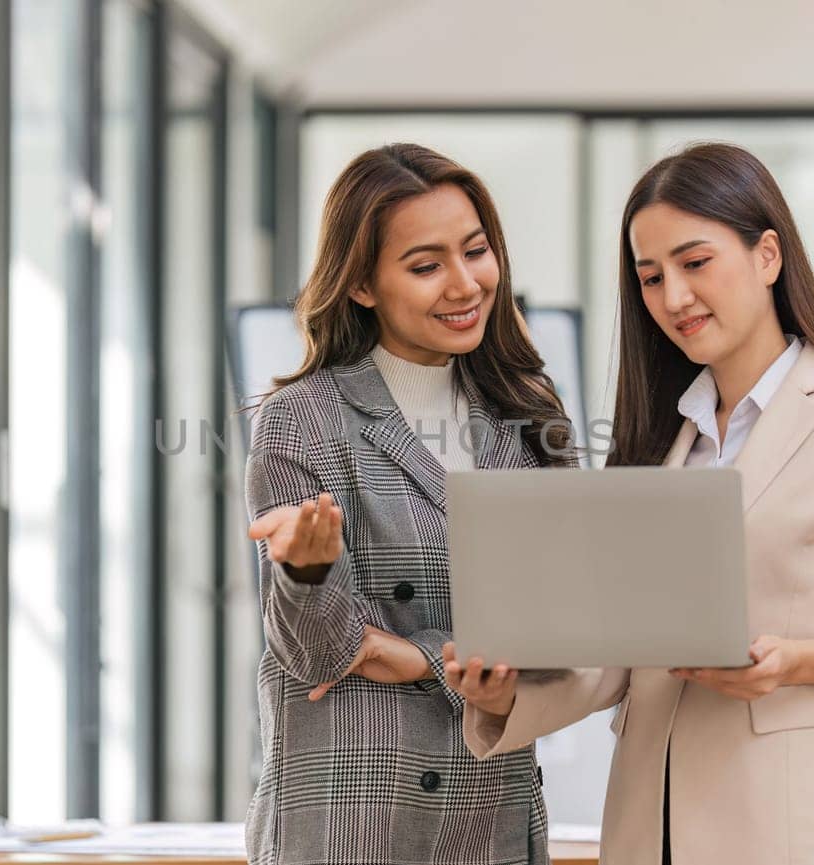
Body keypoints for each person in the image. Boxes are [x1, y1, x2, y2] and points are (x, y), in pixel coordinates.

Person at [445, 142, 814, 865]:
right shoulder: (661, 436)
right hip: (647, 825)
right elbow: (624, 655)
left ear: (768, 256)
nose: (674, 297)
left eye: (695, 263)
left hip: (782, 830)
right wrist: (504, 693)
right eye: (651, 277)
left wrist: (799, 661)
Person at [243, 142, 574, 864]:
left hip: (488, 816)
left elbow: (557, 642)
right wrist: (304, 573)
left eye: (476, 251)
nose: (464, 284)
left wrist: (415, 654)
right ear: (362, 285)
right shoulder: (303, 417)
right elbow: (321, 656)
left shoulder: (530, 415)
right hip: (353, 822)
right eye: (425, 266)